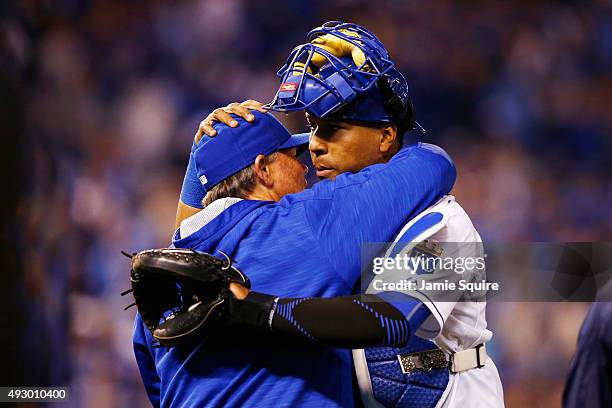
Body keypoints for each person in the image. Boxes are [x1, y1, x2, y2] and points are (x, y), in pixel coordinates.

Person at [133, 88, 455, 408]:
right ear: (263, 170)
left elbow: (160, 394)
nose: (305, 167)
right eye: (291, 157)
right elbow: (432, 164)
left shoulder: (160, 284)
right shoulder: (304, 222)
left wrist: (198, 165)